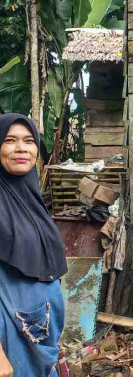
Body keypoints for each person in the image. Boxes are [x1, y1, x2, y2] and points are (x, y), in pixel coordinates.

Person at [0, 114, 67, 377]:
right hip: (10, 348)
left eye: (28, 140)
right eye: (9, 140)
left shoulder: (29, 197)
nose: (21, 148)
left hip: (39, 343)